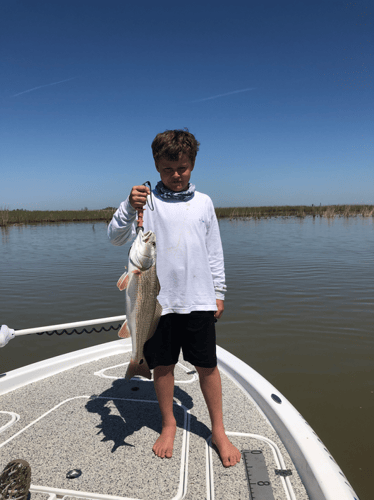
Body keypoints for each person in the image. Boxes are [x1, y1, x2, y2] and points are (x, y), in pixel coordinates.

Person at [108, 129, 241, 467]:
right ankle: (168, 424)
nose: (176, 175)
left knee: (207, 367)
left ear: (192, 164)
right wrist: (127, 206)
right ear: (156, 165)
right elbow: (114, 237)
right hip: (155, 303)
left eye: (182, 168)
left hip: (198, 299)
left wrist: (219, 293)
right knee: (162, 366)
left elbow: (214, 252)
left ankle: (219, 430)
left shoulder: (205, 203)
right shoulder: (145, 201)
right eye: (168, 169)